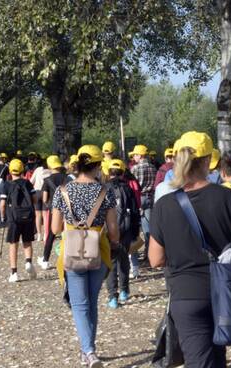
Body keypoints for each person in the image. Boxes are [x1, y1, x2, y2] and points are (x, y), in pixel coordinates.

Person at [148, 131, 231, 368]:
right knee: (218, 358)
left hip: (186, 293)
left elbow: (155, 259)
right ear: (208, 161)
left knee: (199, 361)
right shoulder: (227, 197)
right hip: (225, 289)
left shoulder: (164, 204)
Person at [51, 145, 119, 368]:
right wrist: (116, 243)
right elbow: (113, 227)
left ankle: (88, 351)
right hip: (98, 249)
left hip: (72, 250)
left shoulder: (62, 190)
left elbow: (53, 229)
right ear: (98, 166)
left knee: (80, 305)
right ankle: (89, 350)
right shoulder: (105, 191)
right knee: (92, 303)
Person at [105, 159, 141, 309]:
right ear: (122, 172)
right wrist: (135, 232)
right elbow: (134, 211)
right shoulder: (128, 189)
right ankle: (124, 290)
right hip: (125, 229)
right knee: (124, 259)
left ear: (108, 172)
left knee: (111, 262)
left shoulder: (104, 188)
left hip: (109, 230)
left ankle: (113, 296)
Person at [0, 159, 38, 283]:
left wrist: (2, 216)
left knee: (13, 244)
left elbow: (3, 204)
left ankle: (14, 273)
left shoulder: (7, 185)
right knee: (27, 241)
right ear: (22, 170)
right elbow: (35, 199)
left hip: (13, 218)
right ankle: (28, 262)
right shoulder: (27, 183)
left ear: (10, 170)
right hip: (28, 216)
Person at [39, 155, 71, 270]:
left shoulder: (47, 180)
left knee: (51, 236)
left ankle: (45, 260)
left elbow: (44, 198)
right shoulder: (67, 178)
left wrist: (50, 207)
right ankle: (68, 259)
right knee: (67, 235)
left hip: (54, 211)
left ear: (49, 166)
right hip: (68, 210)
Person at [129, 144, 156, 265]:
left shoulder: (135, 169)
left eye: (135, 154)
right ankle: (149, 254)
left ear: (140, 155)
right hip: (150, 198)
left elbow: (133, 186)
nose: (133, 157)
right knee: (148, 227)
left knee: (138, 229)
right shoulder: (153, 167)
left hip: (139, 198)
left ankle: (141, 255)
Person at [30, 158, 51, 242]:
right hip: (46, 193)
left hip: (37, 192)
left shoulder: (38, 169)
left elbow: (31, 181)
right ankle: (46, 234)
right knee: (45, 215)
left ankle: (39, 234)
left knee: (37, 215)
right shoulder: (50, 171)